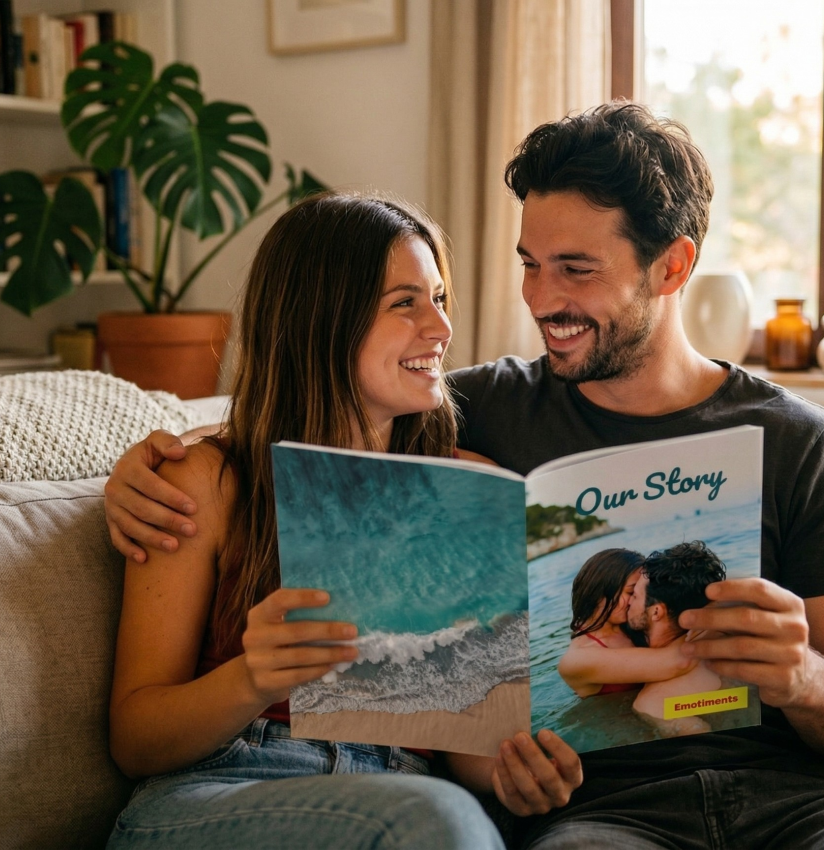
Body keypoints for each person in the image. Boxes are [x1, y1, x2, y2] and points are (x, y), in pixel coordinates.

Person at [102, 104, 824, 848]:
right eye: (528, 263)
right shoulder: (471, 420)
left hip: (795, 800)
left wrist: (804, 676)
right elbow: (310, 418)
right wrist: (145, 458)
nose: (538, 299)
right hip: (596, 816)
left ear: (672, 266)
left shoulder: (796, 440)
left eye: (577, 270)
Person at [101, 191, 516, 849]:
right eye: (405, 303)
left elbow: (462, 742)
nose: (439, 329)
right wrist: (251, 678)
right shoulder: (206, 482)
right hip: (226, 788)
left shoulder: (467, 488)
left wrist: (511, 771)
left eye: (438, 299)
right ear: (321, 320)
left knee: (454, 819)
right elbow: (136, 742)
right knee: (440, 823)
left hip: (404, 790)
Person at [556, 547, 697, 699]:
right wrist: (700, 623)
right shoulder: (577, 660)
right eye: (631, 592)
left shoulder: (632, 622)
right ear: (599, 590)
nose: (634, 601)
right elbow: (679, 663)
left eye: (640, 593)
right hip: (625, 719)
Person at [624, 542, 728, 734]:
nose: (628, 601)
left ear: (656, 612)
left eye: (635, 596)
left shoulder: (654, 702)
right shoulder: (728, 639)